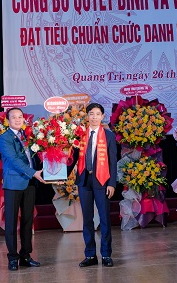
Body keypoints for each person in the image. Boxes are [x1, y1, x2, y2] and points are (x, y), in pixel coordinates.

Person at [0, 107, 44, 271]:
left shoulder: (27, 136)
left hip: (29, 183)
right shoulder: (4, 138)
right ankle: (12, 258)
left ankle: (25, 256)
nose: (18, 120)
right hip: (13, 184)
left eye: (20, 117)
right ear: (7, 120)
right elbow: (14, 160)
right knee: (11, 223)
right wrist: (33, 173)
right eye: (14, 117)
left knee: (27, 221)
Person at [74, 102, 118, 268]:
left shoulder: (108, 136)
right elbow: (72, 158)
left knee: (105, 218)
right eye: (91, 114)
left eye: (97, 114)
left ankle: (106, 254)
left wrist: (112, 183)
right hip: (84, 180)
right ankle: (90, 255)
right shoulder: (80, 135)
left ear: (102, 116)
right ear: (87, 116)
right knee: (87, 219)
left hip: (102, 180)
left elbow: (113, 161)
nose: (94, 117)